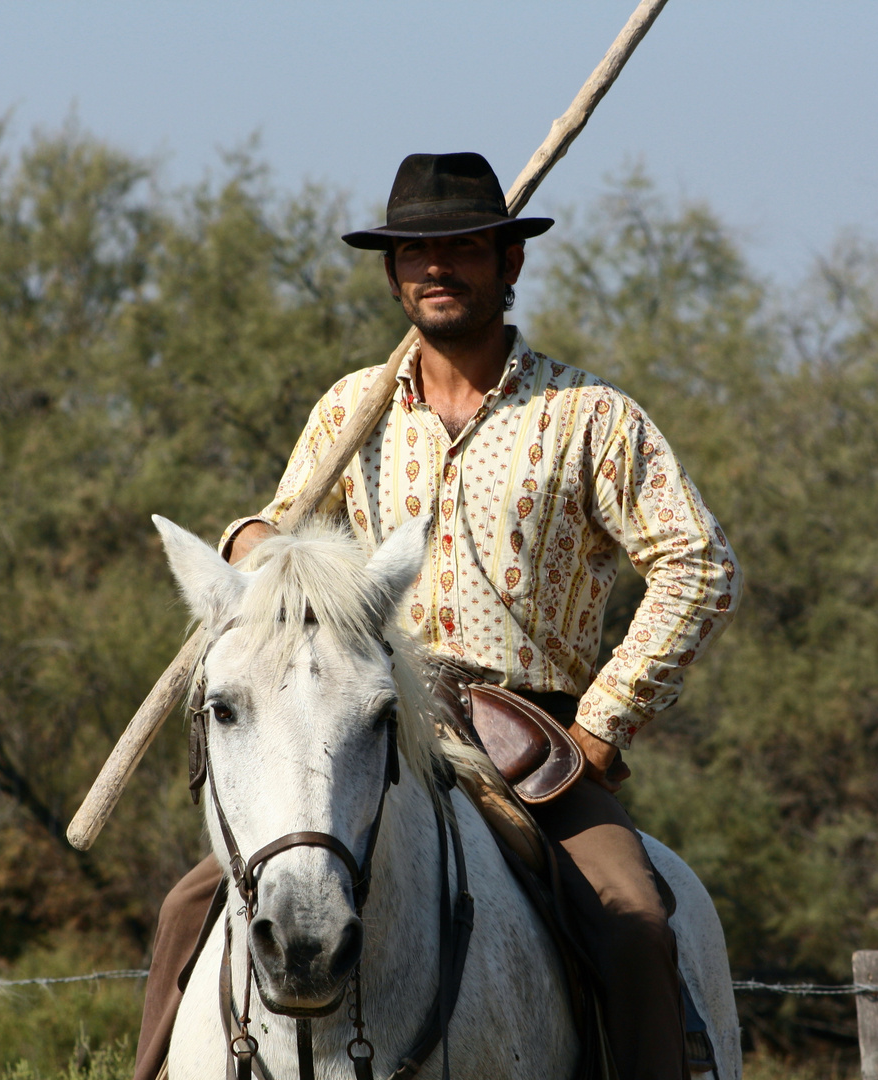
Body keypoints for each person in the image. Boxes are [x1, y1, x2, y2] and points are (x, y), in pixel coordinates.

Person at [134, 152, 739, 1080]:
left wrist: (606, 721)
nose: (437, 267)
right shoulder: (351, 408)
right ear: (391, 275)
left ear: (510, 263)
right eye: (416, 252)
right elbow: (287, 529)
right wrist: (252, 538)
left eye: (462, 246)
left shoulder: (591, 417)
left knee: (636, 924)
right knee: (187, 912)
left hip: (533, 741)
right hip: (368, 716)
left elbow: (700, 567)